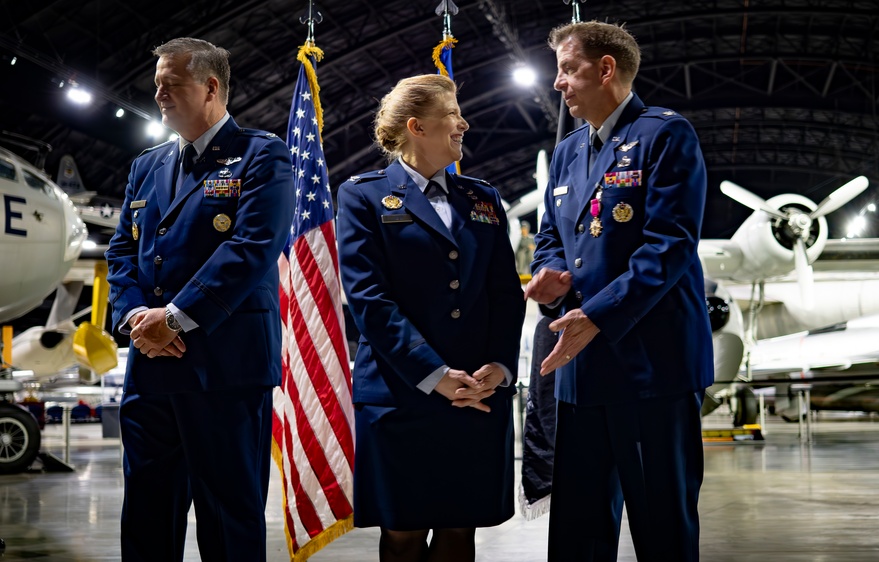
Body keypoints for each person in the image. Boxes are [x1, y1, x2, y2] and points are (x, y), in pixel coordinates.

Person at [524, 21, 713, 561]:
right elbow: (550, 237)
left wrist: (596, 315)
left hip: (651, 369)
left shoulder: (663, 135)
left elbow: (669, 246)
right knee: (577, 532)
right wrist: (552, 273)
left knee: (662, 528)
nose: (558, 83)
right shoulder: (565, 153)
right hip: (580, 374)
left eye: (568, 68)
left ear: (606, 69)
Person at [105, 37, 294, 560]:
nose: (159, 93)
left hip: (223, 368)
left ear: (211, 87)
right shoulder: (147, 166)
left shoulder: (262, 155)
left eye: (172, 83)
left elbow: (253, 247)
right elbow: (122, 250)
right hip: (151, 368)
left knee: (227, 516)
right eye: (157, 83)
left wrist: (177, 318)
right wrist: (135, 319)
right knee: (147, 514)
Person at [336, 74, 525, 562]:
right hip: (402, 393)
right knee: (403, 530)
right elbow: (369, 299)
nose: (465, 122)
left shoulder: (482, 198)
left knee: (461, 528)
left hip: (477, 393)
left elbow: (506, 294)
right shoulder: (363, 196)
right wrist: (433, 374)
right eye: (453, 114)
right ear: (417, 127)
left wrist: (501, 368)